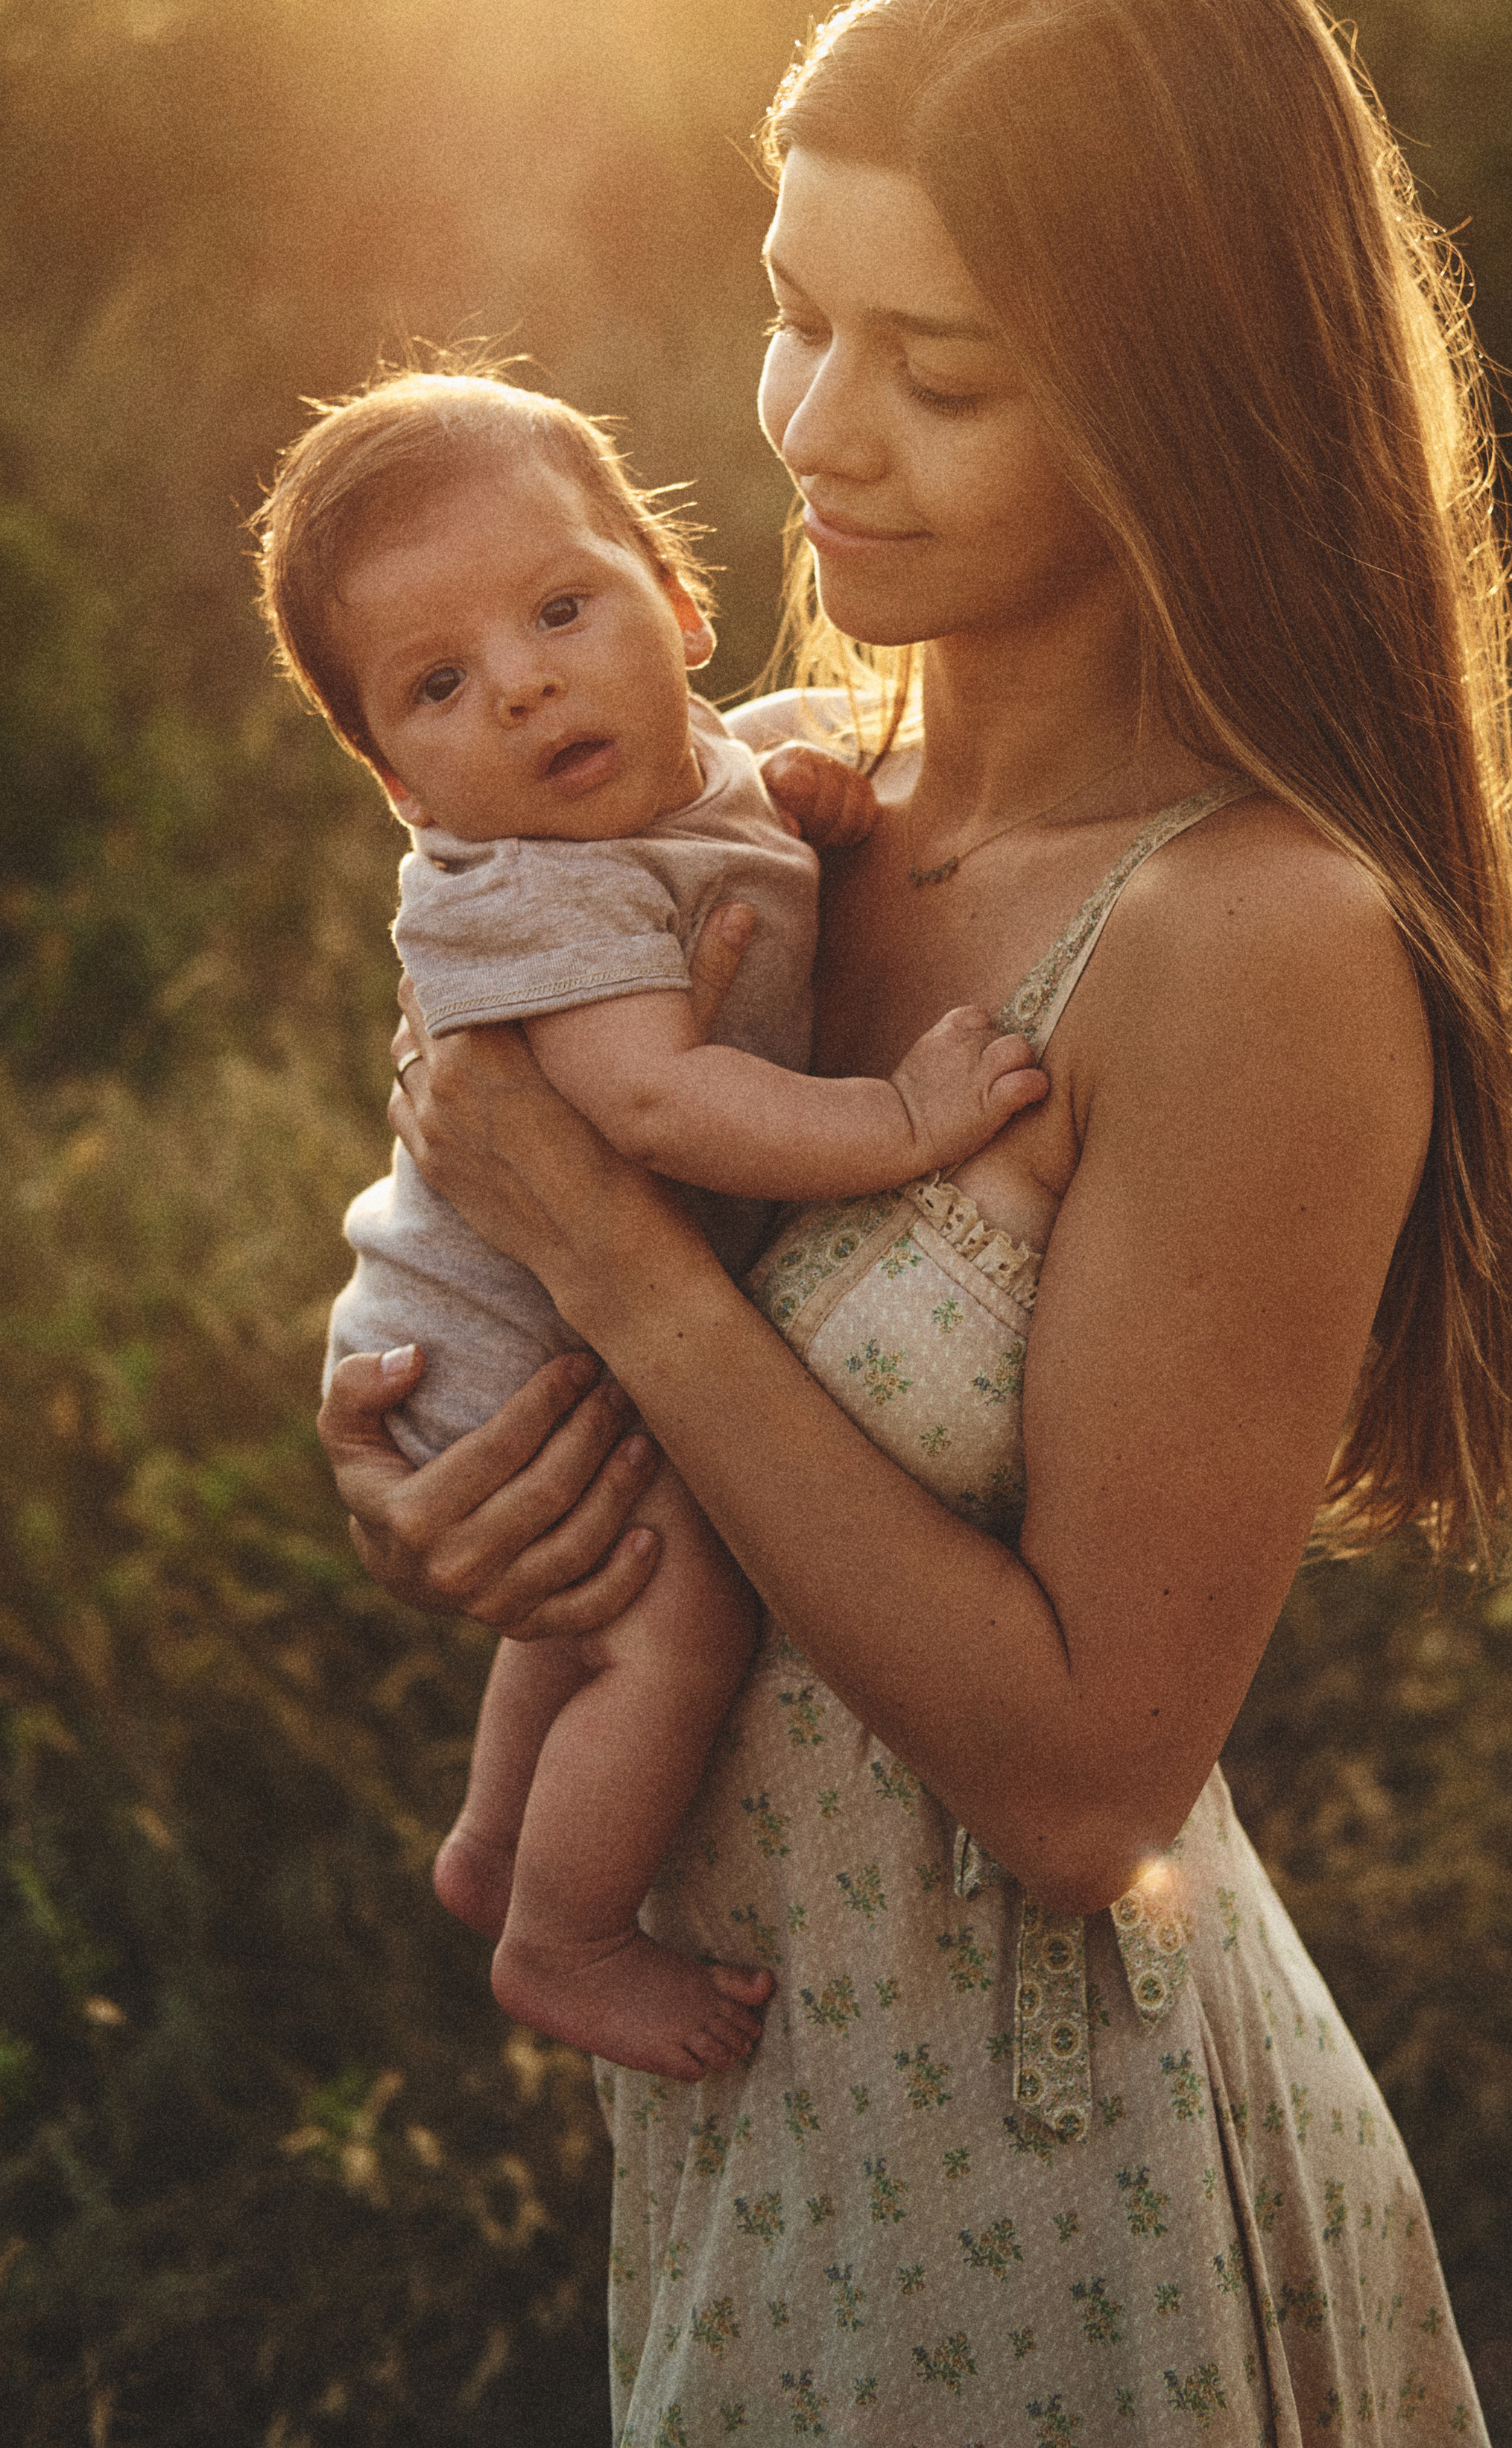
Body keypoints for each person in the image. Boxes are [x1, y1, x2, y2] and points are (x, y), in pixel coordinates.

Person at [320, 0, 1512, 2442]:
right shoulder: (739, 799)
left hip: (1042, 2167)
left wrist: (624, 1274)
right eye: (795, 305)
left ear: (1177, 402)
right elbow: (523, 1290)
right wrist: (462, 1504)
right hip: (751, 2105)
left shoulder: (1245, 938)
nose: (806, 422)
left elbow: (1089, 1779)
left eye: (942, 369)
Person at [255, 369, 1048, 2080]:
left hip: (548, 1322)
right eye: (442, 685)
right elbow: (657, 1108)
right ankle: (561, 1936)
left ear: (677, 608)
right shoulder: (537, 884)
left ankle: (489, 1836)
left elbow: (758, 761)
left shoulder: (690, 772)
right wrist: (894, 1123)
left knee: (599, 1603)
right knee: (673, 1619)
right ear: (401, 787)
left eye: (559, 608)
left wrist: (811, 786)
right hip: (495, 1345)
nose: (527, 681)